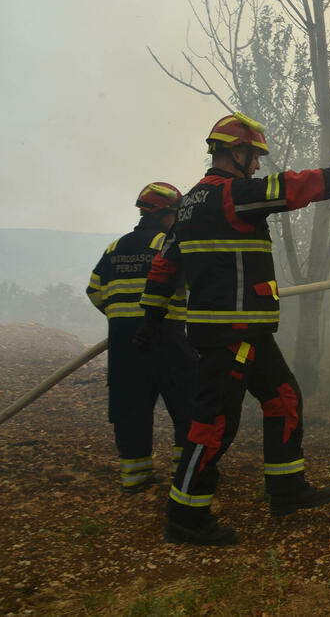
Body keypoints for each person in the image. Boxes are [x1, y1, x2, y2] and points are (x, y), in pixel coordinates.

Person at [135, 111, 330, 546]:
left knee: (283, 399)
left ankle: (287, 490)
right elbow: (300, 187)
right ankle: (184, 516)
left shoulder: (185, 206)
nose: (259, 164)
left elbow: (166, 264)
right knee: (214, 424)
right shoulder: (233, 195)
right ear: (235, 152)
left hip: (247, 332)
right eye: (255, 155)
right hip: (231, 334)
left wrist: (150, 318)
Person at [86, 182, 195, 494]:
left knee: (130, 410)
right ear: (166, 214)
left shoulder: (114, 249)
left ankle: (135, 478)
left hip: (124, 345)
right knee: (187, 407)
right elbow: (192, 283)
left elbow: (94, 291)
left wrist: (120, 316)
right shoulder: (171, 244)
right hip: (169, 341)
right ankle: (184, 476)